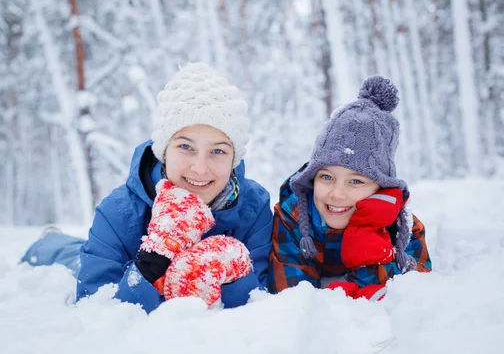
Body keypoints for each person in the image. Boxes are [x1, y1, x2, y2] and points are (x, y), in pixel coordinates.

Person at [21, 63, 273, 312]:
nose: (200, 168)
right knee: (73, 259)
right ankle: (49, 241)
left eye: (217, 151)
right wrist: (151, 263)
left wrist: (230, 270)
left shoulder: (253, 207)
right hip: (111, 260)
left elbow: (258, 299)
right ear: (163, 151)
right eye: (186, 147)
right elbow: (95, 306)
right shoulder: (118, 212)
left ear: (233, 158)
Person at [267, 76, 431, 301]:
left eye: (356, 181)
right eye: (326, 177)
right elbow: (291, 298)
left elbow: (415, 293)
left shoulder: (402, 227)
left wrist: (367, 238)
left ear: (382, 188)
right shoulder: (294, 216)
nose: (336, 194)